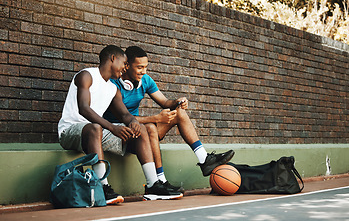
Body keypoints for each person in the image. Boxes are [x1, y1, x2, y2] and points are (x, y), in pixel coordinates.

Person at [58, 45, 183, 204]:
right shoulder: (87, 76)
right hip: (71, 132)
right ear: (112, 59)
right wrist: (111, 127)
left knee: (141, 130)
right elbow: (84, 109)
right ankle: (102, 186)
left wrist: (132, 123)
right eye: (124, 63)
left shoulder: (112, 88)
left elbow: (124, 114)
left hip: (97, 134)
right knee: (95, 128)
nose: (125, 68)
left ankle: (153, 186)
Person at [103, 46, 235, 191]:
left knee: (179, 113)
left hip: (141, 133)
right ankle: (160, 180)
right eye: (140, 67)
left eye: (146, 67)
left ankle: (204, 159)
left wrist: (177, 102)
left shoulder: (145, 80)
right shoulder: (112, 84)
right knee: (151, 127)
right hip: (122, 133)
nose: (144, 71)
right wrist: (156, 118)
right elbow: (124, 117)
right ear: (126, 66)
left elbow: (165, 102)